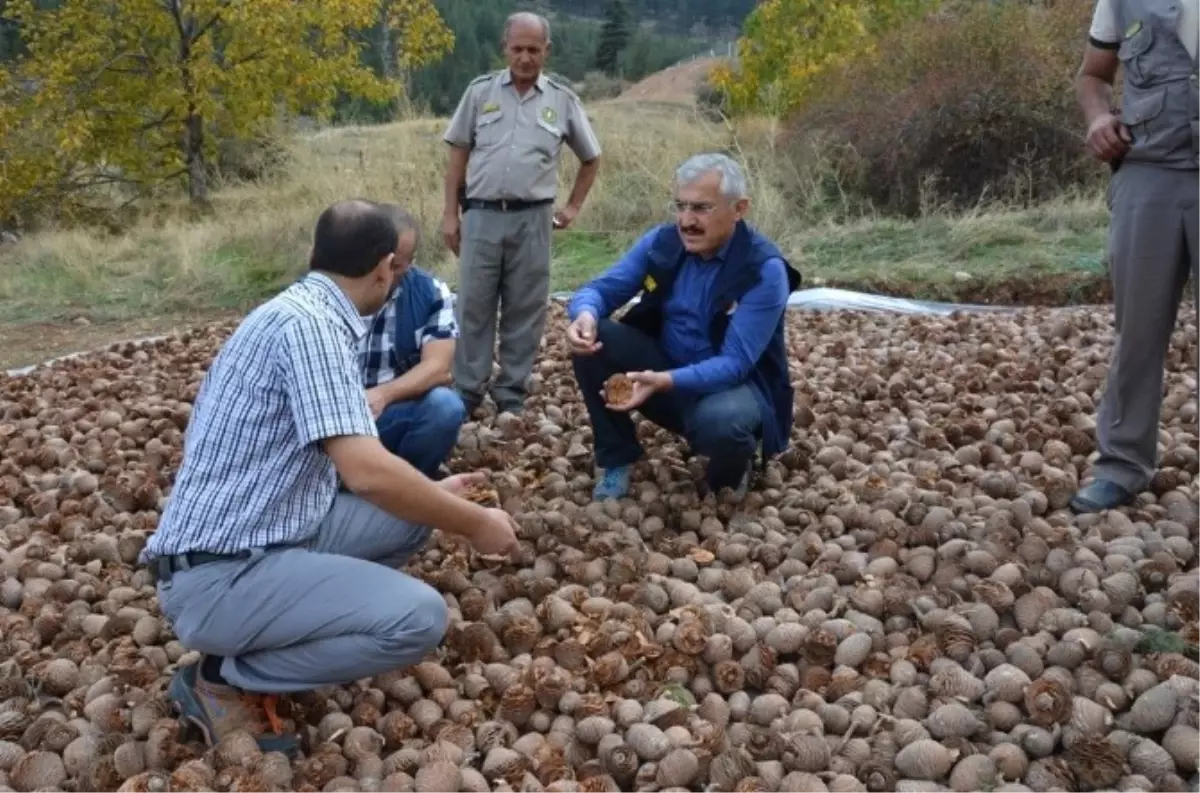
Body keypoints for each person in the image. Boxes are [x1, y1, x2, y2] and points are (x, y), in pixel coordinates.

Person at [139, 199, 520, 754]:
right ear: (386, 266)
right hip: (219, 576)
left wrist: (432, 498)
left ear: (315, 255)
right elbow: (365, 472)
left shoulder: (291, 311)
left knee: (407, 521)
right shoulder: (313, 330)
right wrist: (477, 522)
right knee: (419, 619)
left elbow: (361, 472)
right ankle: (224, 679)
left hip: (255, 537)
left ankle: (280, 629)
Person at [565, 153, 803, 501]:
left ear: (739, 209)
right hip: (663, 373)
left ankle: (733, 468)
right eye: (680, 206)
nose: (686, 221)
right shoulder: (662, 242)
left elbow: (735, 364)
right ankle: (616, 458)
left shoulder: (763, 270)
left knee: (723, 421)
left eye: (702, 208)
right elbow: (599, 290)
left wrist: (663, 381)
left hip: (730, 388)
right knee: (594, 336)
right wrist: (584, 313)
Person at [1067, 0, 1198, 512]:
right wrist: (1098, 117)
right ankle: (1122, 466)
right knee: (1138, 327)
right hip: (1147, 170)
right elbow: (1094, 75)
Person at [441, 11, 602, 418]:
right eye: (518, 49)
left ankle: (511, 390)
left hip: (534, 218)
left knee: (525, 306)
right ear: (505, 48)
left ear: (546, 51)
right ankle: (467, 389)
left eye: (534, 49)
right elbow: (458, 153)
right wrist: (450, 214)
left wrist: (573, 207)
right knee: (473, 305)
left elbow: (591, 157)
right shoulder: (479, 93)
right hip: (480, 214)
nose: (525, 57)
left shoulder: (562, 101)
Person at [359, 204, 465, 478]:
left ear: (412, 260)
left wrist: (383, 395)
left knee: (446, 407)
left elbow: (438, 368)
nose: (387, 274)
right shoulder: (333, 288)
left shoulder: (430, 292)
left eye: (398, 266)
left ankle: (409, 485)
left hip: (391, 411)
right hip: (330, 418)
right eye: (382, 262)